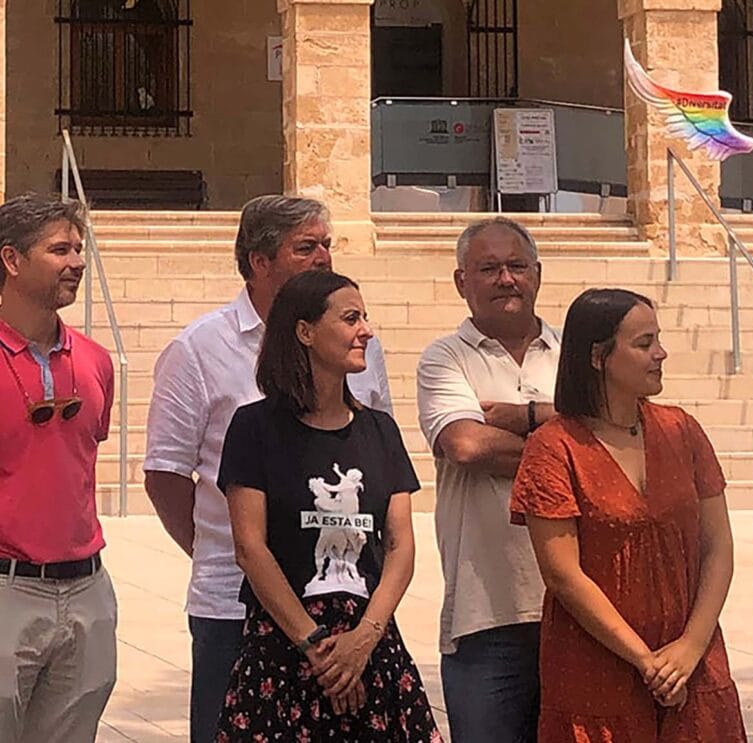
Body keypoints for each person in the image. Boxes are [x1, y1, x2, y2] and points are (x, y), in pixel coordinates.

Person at [143, 195, 394, 742]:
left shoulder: (360, 346)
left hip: (349, 608)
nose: (323, 257)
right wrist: (231, 547)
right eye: (305, 248)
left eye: (326, 244)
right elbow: (165, 474)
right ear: (259, 261)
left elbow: (380, 461)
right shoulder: (199, 349)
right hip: (234, 606)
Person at [510, 288, 747, 741]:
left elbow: (718, 546)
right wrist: (645, 661)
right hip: (598, 666)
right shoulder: (554, 448)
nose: (661, 353)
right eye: (644, 343)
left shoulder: (681, 429)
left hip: (692, 661)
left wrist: (690, 647)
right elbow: (563, 575)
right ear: (598, 356)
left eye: (658, 339)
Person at [214, 270, 439, 741]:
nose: (366, 331)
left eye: (365, 318)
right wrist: (317, 647)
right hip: (285, 650)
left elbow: (399, 545)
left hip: (370, 647)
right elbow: (250, 548)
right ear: (305, 331)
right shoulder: (254, 428)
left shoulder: (380, 430)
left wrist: (363, 640)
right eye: (351, 318)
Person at [415, 217, 557, 741]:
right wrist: (567, 437)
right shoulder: (445, 358)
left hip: (579, 611)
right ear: (461, 282)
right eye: (489, 268)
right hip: (484, 618)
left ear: (537, 273)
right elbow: (467, 446)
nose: (506, 279)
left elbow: (616, 444)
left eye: (517, 266)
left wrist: (526, 417)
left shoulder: (578, 356)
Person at [0, 194, 117, 742]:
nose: (77, 262)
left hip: (87, 590)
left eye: (79, 248)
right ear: (11, 259)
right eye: (59, 250)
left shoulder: (96, 360)